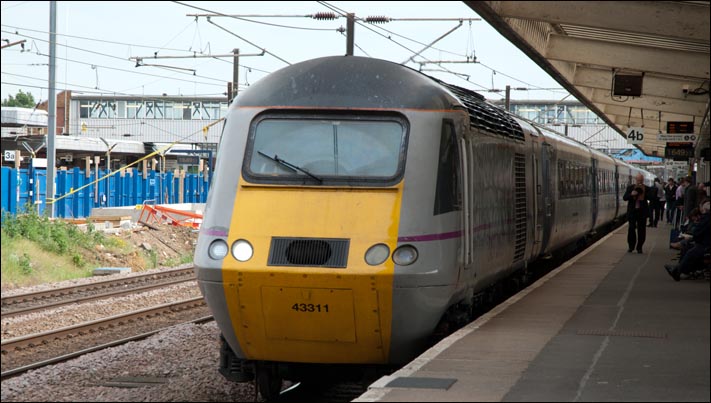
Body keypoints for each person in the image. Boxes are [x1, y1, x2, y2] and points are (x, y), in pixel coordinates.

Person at [665, 201, 710, 281]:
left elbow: (697, 232)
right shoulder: (706, 218)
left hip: (705, 244)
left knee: (691, 252)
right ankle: (679, 269)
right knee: (688, 248)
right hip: (705, 243)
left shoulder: (706, 218)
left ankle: (678, 271)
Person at [623, 173, 652, 253]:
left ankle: (639, 247)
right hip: (632, 212)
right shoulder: (630, 188)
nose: (639, 182)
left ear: (643, 180)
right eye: (638, 180)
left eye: (641, 180)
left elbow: (651, 198)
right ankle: (631, 246)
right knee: (631, 228)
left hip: (642, 212)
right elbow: (625, 198)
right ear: (636, 180)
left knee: (641, 230)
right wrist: (631, 194)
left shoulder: (647, 188)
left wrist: (644, 193)